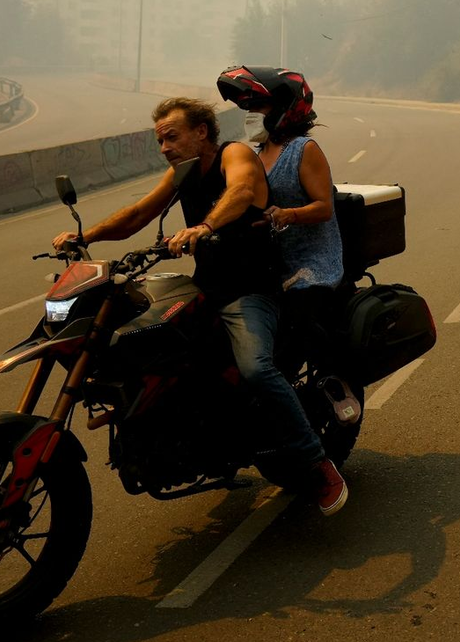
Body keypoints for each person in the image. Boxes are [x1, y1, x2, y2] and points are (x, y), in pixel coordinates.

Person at [52, 96, 348, 516]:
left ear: (201, 131)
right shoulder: (183, 172)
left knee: (256, 368)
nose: (165, 148)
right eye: (160, 141)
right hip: (206, 288)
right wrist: (86, 238)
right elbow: (138, 213)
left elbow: (241, 191)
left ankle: (317, 463)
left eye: (172, 137)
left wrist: (205, 225)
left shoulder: (234, 154)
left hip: (250, 291)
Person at [216, 67, 348, 376]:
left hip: (312, 263)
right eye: (247, 108)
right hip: (273, 264)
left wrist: (287, 215)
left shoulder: (303, 150)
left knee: (290, 338)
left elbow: (324, 208)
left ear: (285, 109)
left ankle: (331, 380)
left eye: (258, 107)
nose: (250, 115)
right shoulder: (253, 155)